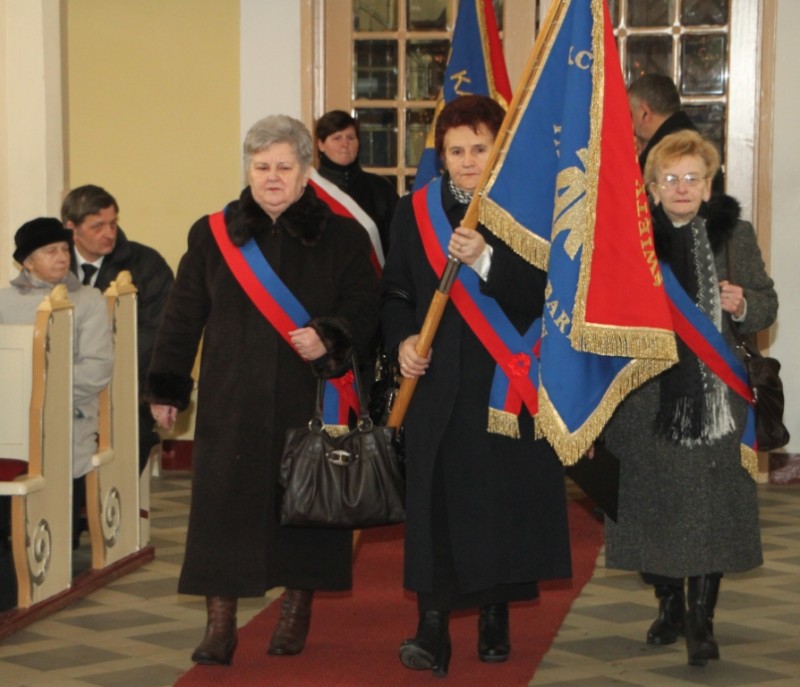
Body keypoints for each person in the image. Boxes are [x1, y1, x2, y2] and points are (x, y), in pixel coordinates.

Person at [145, 114, 379, 666]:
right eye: (261, 166)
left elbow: (366, 308)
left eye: (284, 167)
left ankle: (296, 609)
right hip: (232, 398)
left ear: (306, 172)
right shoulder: (213, 234)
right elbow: (182, 315)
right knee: (222, 512)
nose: (272, 177)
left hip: (310, 396)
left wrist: (330, 335)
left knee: (305, 508)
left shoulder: (343, 236)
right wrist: (167, 387)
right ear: (248, 170)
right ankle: (220, 625)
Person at [380, 95, 572, 677]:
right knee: (435, 507)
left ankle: (494, 612)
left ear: (499, 150)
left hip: (502, 386)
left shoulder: (526, 209)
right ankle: (432, 627)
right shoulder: (413, 211)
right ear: (440, 155)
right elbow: (395, 292)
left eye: (479, 148)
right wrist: (403, 342)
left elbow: (548, 296)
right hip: (437, 387)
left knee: (497, 506)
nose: (467, 161)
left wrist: (488, 260)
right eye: (455, 150)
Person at [601, 130, 778, 667]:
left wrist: (744, 304)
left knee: (709, 513)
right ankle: (669, 603)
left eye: (692, 178)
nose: (682, 187)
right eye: (670, 178)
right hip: (645, 398)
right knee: (652, 511)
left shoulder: (734, 235)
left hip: (717, 399)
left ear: (708, 186)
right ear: (652, 188)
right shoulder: (628, 236)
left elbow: (766, 304)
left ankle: (701, 620)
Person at [0, 218, 114, 584]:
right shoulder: (4, 302)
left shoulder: (89, 300)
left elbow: (97, 369)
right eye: (50, 251)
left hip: (69, 411)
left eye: (65, 249)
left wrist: (43, 394)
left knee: (58, 445)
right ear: (27, 262)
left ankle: (53, 543)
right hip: (10, 413)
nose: (62, 257)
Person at [62, 185, 174, 474]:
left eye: (113, 224)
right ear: (71, 228)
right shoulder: (53, 264)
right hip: (67, 385)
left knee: (132, 436)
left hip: (127, 383)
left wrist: (108, 370)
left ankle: (110, 500)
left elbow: (157, 331)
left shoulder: (146, 264)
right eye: (97, 226)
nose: (109, 233)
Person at [314, 110, 398, 255]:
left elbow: (398, 243)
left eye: (351, 137)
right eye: (337, 138)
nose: (345, 144)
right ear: (321, 144)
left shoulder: (381, 189)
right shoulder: (308, 189)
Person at [628, 73, 724, 193]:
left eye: (630, 114)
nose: (628, 123)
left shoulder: (666, 153)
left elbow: (636, 197)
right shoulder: (697, 144)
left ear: (645, 113)